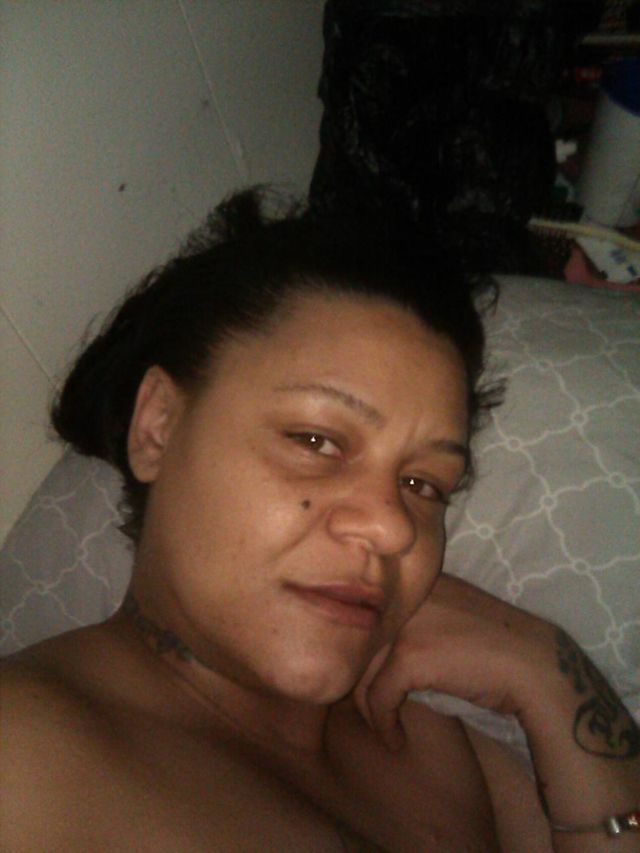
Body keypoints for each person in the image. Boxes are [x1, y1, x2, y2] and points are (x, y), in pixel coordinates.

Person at [1, 189, 638, 852]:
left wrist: (550, 674)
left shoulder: (432, 737)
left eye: (423, 484)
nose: (393, 528)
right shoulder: (26, 759)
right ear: (158, 426)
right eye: (315, 441)